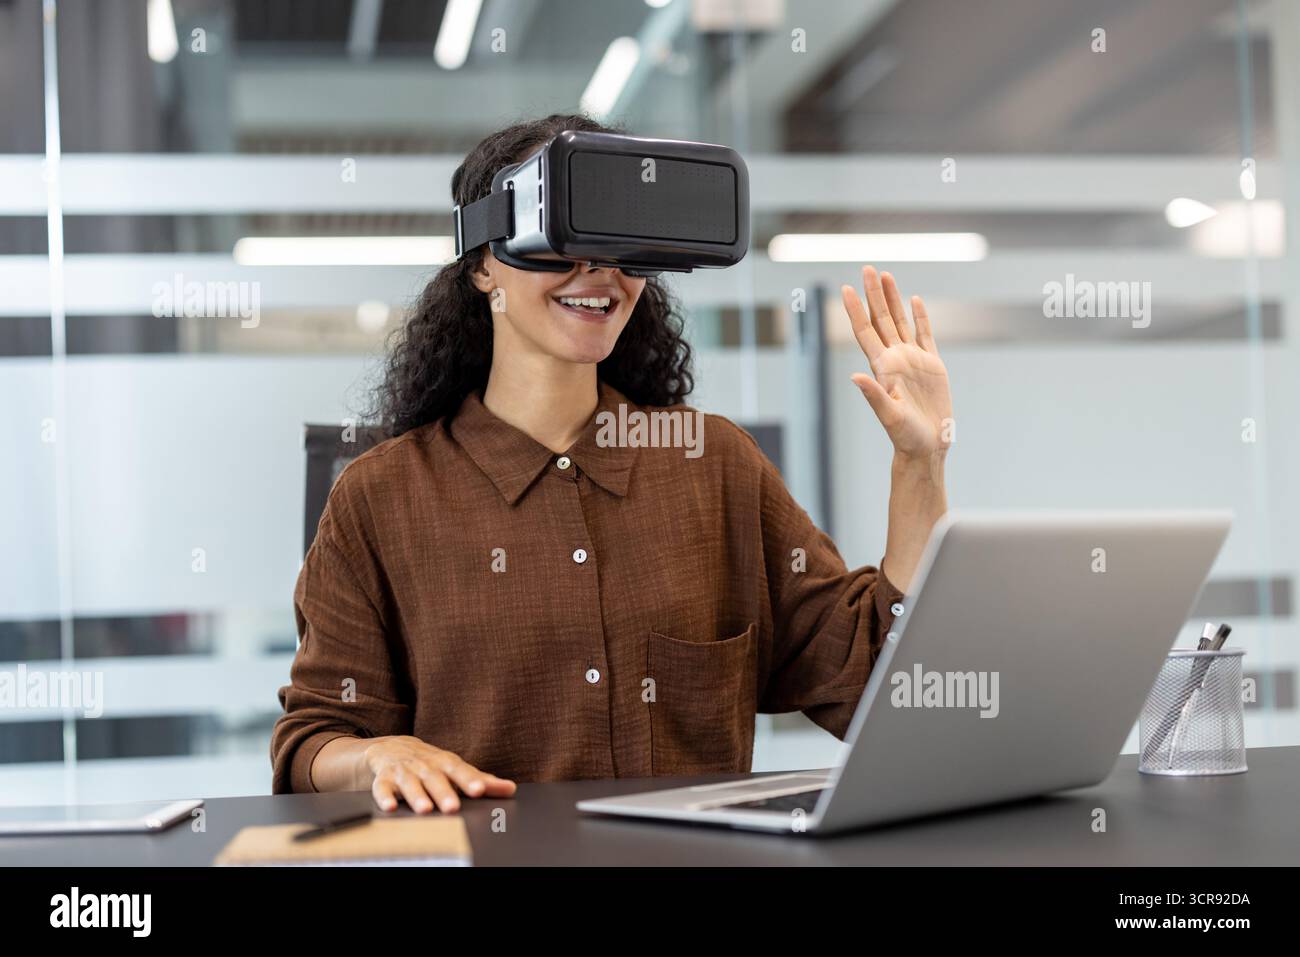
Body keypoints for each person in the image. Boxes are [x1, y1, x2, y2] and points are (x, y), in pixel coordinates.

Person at [271, 113, 952, 814]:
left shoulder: (713, 467)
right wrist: (378, 754)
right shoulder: (379, 498)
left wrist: (920, 463)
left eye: (620, 245)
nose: (597, 273)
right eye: (560, 239)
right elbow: (315, 739)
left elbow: (872, 680)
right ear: (481, 264)